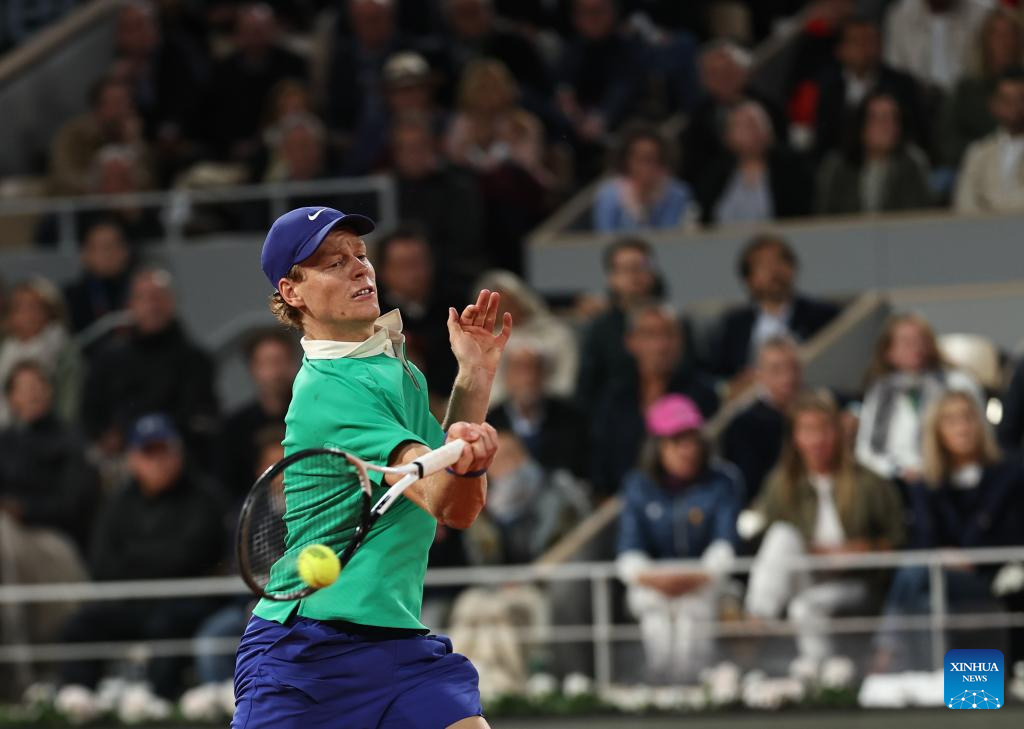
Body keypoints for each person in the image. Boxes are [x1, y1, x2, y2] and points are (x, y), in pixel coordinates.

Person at [232, 205, 512, 729]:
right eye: (334, 263)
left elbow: (456, 503)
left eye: (360, 255)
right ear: (292, 291)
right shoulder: (328, 390)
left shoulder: (395, 369)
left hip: (398, 644)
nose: (360, 268)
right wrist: (465, 469)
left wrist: (473, 377)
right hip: (307, 651)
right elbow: (440, 495)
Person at [59, 413, 225, 698]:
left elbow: (188, 557)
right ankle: (79, 701)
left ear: (179, 454)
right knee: (80, 625)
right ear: (133, 459)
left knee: (167, 624)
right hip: (130, 602)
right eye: (149, 453)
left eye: (164, 452)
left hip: (184, 601)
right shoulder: (118, 502)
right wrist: (158, 557)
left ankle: (161, 701)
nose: (158, 462)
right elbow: (102, 564)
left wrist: (134, 558)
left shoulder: (204, 498)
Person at [745, 391, 905, 662]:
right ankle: (757, 620)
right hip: (803, 574)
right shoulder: (782, 483)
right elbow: (764, 540)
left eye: (824, 429)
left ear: (838, 432)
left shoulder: (869, 482)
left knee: (805, 607)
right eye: (808, 430)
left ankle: (821, 675)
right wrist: (815, 553)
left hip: (856, 582)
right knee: (782, 535)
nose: (817, 440)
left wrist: (859, 550)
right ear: (795, 437)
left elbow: (898, 539)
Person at [873, 391, 1024, 671]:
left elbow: (1013, 536)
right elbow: (922, 540)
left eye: (968, 418)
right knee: (923, 602)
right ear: (937, 431)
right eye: (951, 421)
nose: (962, 428)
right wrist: (943, 557)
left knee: (915, 571)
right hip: (940, 580)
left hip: (992, 578)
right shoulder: (928, 486)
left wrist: (966, 556)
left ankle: (886, 650)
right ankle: (939, 683)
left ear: (981, 424)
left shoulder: (1009, 475)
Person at [617, 394, 743, 682]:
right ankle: (660, 685)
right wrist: (654, 578)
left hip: (705, 579)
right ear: (657, 447)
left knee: (692, 612)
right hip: (655, 579)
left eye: (692, 440)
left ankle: (696, 688)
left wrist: (698, 576)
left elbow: (725, 544)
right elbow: (628, 550)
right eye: (676, 441)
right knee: (653, 612)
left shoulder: (722, 481)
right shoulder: (638, 485)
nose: (688, 450)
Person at [0, 362, 97, 643]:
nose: (33, 394)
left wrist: (25, 510)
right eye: (24, 389)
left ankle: (16, 648)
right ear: (11, 398)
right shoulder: (5, 442)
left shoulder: (70, 439)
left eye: (38, 386)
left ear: (50, 392)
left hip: (54, 539)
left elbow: (74, 505)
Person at [81, 269, 219, 463]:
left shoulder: (195, 360)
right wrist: (106, 437)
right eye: (143, 298)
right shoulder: (108, 358)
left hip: (178, 457)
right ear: (130, 305)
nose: (151, 306)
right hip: (119, 458)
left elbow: (202, 416)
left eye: (157, 298)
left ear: (172, 302)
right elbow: (90, 413)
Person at [591, 304, 718, 498]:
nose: (661, 346)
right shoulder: (614, 398)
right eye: (650, 335)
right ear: (631, 342)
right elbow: (600, 464)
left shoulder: (702, 396)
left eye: (669, 334)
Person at [856, 313, 981, 482]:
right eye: (906, 341)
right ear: (888, 352)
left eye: (921, 340)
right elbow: (865, 452)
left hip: (950, 478)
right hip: (894, 480)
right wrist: (897, 471)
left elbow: (982, 438)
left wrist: (933, 469)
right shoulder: (879, 392)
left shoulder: (958, 383)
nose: (916, 347)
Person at [710, 234, 840, 384]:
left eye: (781, 261)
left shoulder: (823, 317)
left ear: (793, 269)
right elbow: (714, 377)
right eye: (763, 265)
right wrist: (731, 387)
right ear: (748, 279)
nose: (774, 271)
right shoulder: (732, 326)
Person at [201, 4, 307, 162]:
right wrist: (230, 146)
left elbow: (301, 111)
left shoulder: (293, 66)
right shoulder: (223, 71)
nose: (256, 38)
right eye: (251, 31)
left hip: (282, 147)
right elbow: (212, 117)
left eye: (261, 31)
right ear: (238, 33)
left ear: (273, 31)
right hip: (231, 152)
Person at [813, 16, 928, 161]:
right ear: (840, 50)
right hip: (842, 164)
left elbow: (917, 134)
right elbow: (821, 140)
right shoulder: (827, 86)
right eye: (856, 41)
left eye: (870, 41)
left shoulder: (902, 84)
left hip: (892, 161)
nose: (864, 48)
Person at [471, 429, 589, 565]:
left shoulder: (560, 489)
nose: (513, 463)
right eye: (499, 461)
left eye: (514, 453)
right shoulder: (484, 516)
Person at [679, 40, 786, 188]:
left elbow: (783, 152)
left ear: (744, 73)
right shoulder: (698, 116)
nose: (722, 79)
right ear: (704, 80)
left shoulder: (770, 107)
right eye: (714, 73)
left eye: (728, 72)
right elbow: (693, 166)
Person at [575, 237, 665, 412]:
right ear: (612, 278)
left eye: (641, 267)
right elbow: (587, 389)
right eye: (626, 269)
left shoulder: (673, 322)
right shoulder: (600, 330)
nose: (635, 275)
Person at [388, 114, 485, 276]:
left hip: (449, 273)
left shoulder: (457, 187)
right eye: (403, 148)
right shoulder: (386, 189)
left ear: (433, 146)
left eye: (418, 146)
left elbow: (465, 242)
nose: (411, 154)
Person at [375, 226, 460, 406]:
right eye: (404, 265)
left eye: (419, 263)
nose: (414, 273)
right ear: (383, 271)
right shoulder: (373, 315)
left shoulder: (453, 306)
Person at [696, 100, 812, 226]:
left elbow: (800, 217)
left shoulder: (792, 169)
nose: (754, 131)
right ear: (727, 136)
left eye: (756, 125)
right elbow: (704, 218)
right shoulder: (715, 173)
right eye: (742, 126)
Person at [815, 91, 933, 215]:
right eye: (880, 119)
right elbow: (823, 215)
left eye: (894, 119)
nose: (888, 127)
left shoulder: (911, 165)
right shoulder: (837, 167)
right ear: (862, 125)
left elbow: (922, 214)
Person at [487, 339, 589, 479]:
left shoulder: (571, 421)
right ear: (506, 377)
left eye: (535, 369)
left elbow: (576, 472)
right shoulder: (489, 422)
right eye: (519, 369)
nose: (528, 378)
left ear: (545, 375)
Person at [721, 336, 804, 505]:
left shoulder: (815, 411)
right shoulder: (744, 425)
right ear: (759, 375)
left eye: (793, 368)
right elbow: (747, 486)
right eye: (776, 370)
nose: (788, 378)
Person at [474, 269, 578, 403]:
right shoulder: (483, 345)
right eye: (496, 307)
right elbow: (482, 388)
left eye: (508, 303)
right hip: (500, 410)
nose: (504, 310)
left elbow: (565, 378)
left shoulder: (556, 334)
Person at [940, 7, 1024, 168]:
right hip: (971, 164)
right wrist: (983, 155)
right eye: (997, 35)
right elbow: (949, 139)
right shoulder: (966, 89)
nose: (1004, 42)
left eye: (1010, 35)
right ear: (985, 41)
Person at [221, 330, 300, 498]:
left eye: (281, 361)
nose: (276, 372)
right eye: (267, 363)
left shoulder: (309, 416)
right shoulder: (235, 428)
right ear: (253, 368)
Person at [48, 76, 151, 195]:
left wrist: (134, 146)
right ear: (99, 107)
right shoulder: (73, 136)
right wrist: (103, 183)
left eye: (128, 103)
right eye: (117, 103)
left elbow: (149, 182)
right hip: (79, 203)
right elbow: (64, 177)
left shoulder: (133, 136)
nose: (125, 110)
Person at [0, 278, 81, 427]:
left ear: (49, 312)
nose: (27, 315)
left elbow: (70, 402)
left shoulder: (64, 350)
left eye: (34, 307)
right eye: (20, 308)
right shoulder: (4, 348)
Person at [593, 124, 695, 232]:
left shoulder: (678, 193)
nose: (647, 167)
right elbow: (604, 236)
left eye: (653, 159)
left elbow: (673, 233)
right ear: (626, 161)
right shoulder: (608, 195)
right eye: (641, 159)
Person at [953, 70, 1024, 214]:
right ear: (994, 104)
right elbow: (964, 204)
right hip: (982, 226)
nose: (1014, 107)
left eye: (1020, 99)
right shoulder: (978, 152)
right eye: (1006, 100)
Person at [883, 0, 988, 94]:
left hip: (968, 99)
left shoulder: (981, 16)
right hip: (914, 101)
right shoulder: (900, 15)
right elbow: (894, 72)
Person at [62, 221, 134, 336]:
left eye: (116, 245)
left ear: (126, 251)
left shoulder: (140, 290)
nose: (110, 254)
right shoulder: (70, 297)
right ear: (86, 254)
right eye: (104, 247)